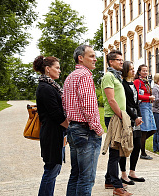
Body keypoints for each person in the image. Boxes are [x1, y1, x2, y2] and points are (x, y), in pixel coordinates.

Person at [63, 45, 104, 196]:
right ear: (81, 58)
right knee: (86, 179)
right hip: (86, 131)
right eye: (92, 56)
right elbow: (88, 105)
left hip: (74, 129)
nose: (95, 59)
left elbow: (64, 104)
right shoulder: (85, 75)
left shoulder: (70, 77)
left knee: (75, 175)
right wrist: (97, 129)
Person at [33, 56, 69, 196]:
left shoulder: (50, 86)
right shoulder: (45, 88)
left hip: (56, 133)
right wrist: (68, 127)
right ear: (48, 69)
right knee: (51, 169)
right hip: (51, 134)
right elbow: (56, 114)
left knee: (54, 169)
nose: (59, 71)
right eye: (57, 68)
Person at [101, 50, 133, 196]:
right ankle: (117, 187)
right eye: (118, 60)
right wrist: (122, 116)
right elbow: (111, 100)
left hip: (119, 116)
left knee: (116, 151)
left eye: (122, 59)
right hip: (114, 117)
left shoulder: (116, 76)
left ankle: (109, 180)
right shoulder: (108, 76)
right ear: (111, 62)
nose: (122, 62)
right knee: (115, 152)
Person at [119, 61, 145, 185]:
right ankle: (123, 174)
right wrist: (135, 117)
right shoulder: (122, 84)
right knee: (125, 145)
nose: (133, 71)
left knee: (137, 144)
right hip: (127, 116)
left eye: (134, 69)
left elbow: (136, 101)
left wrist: (139, 116)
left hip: (135, 117)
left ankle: (132, 171)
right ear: (125, 71)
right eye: (131, 69)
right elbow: (125, 104)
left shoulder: (133, 84)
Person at [133, 65, 156, 160]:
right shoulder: (137, 81)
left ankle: (136, 143)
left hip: (149, 105)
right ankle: (142, 152)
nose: (145, 72)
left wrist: (150, 99)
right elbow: (137, 95)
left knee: (153, 129)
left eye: (146, 71)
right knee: (144, 130)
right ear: (139, 72)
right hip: (142, 106)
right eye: (143, 71)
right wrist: (148, 98)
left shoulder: (146, 82)